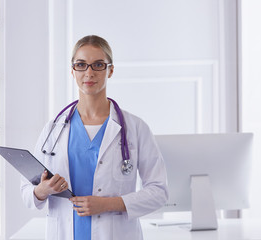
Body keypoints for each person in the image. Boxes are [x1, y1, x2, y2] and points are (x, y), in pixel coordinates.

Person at [20, 35, 168, 240]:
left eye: (98, 64)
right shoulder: (53, 129)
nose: (89, 72)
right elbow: (27, 190)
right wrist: (42, 190)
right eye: (81, 65)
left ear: (111, 70)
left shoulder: (135, 127)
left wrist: (107, 204)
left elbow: (159, 191)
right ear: (73, 71)